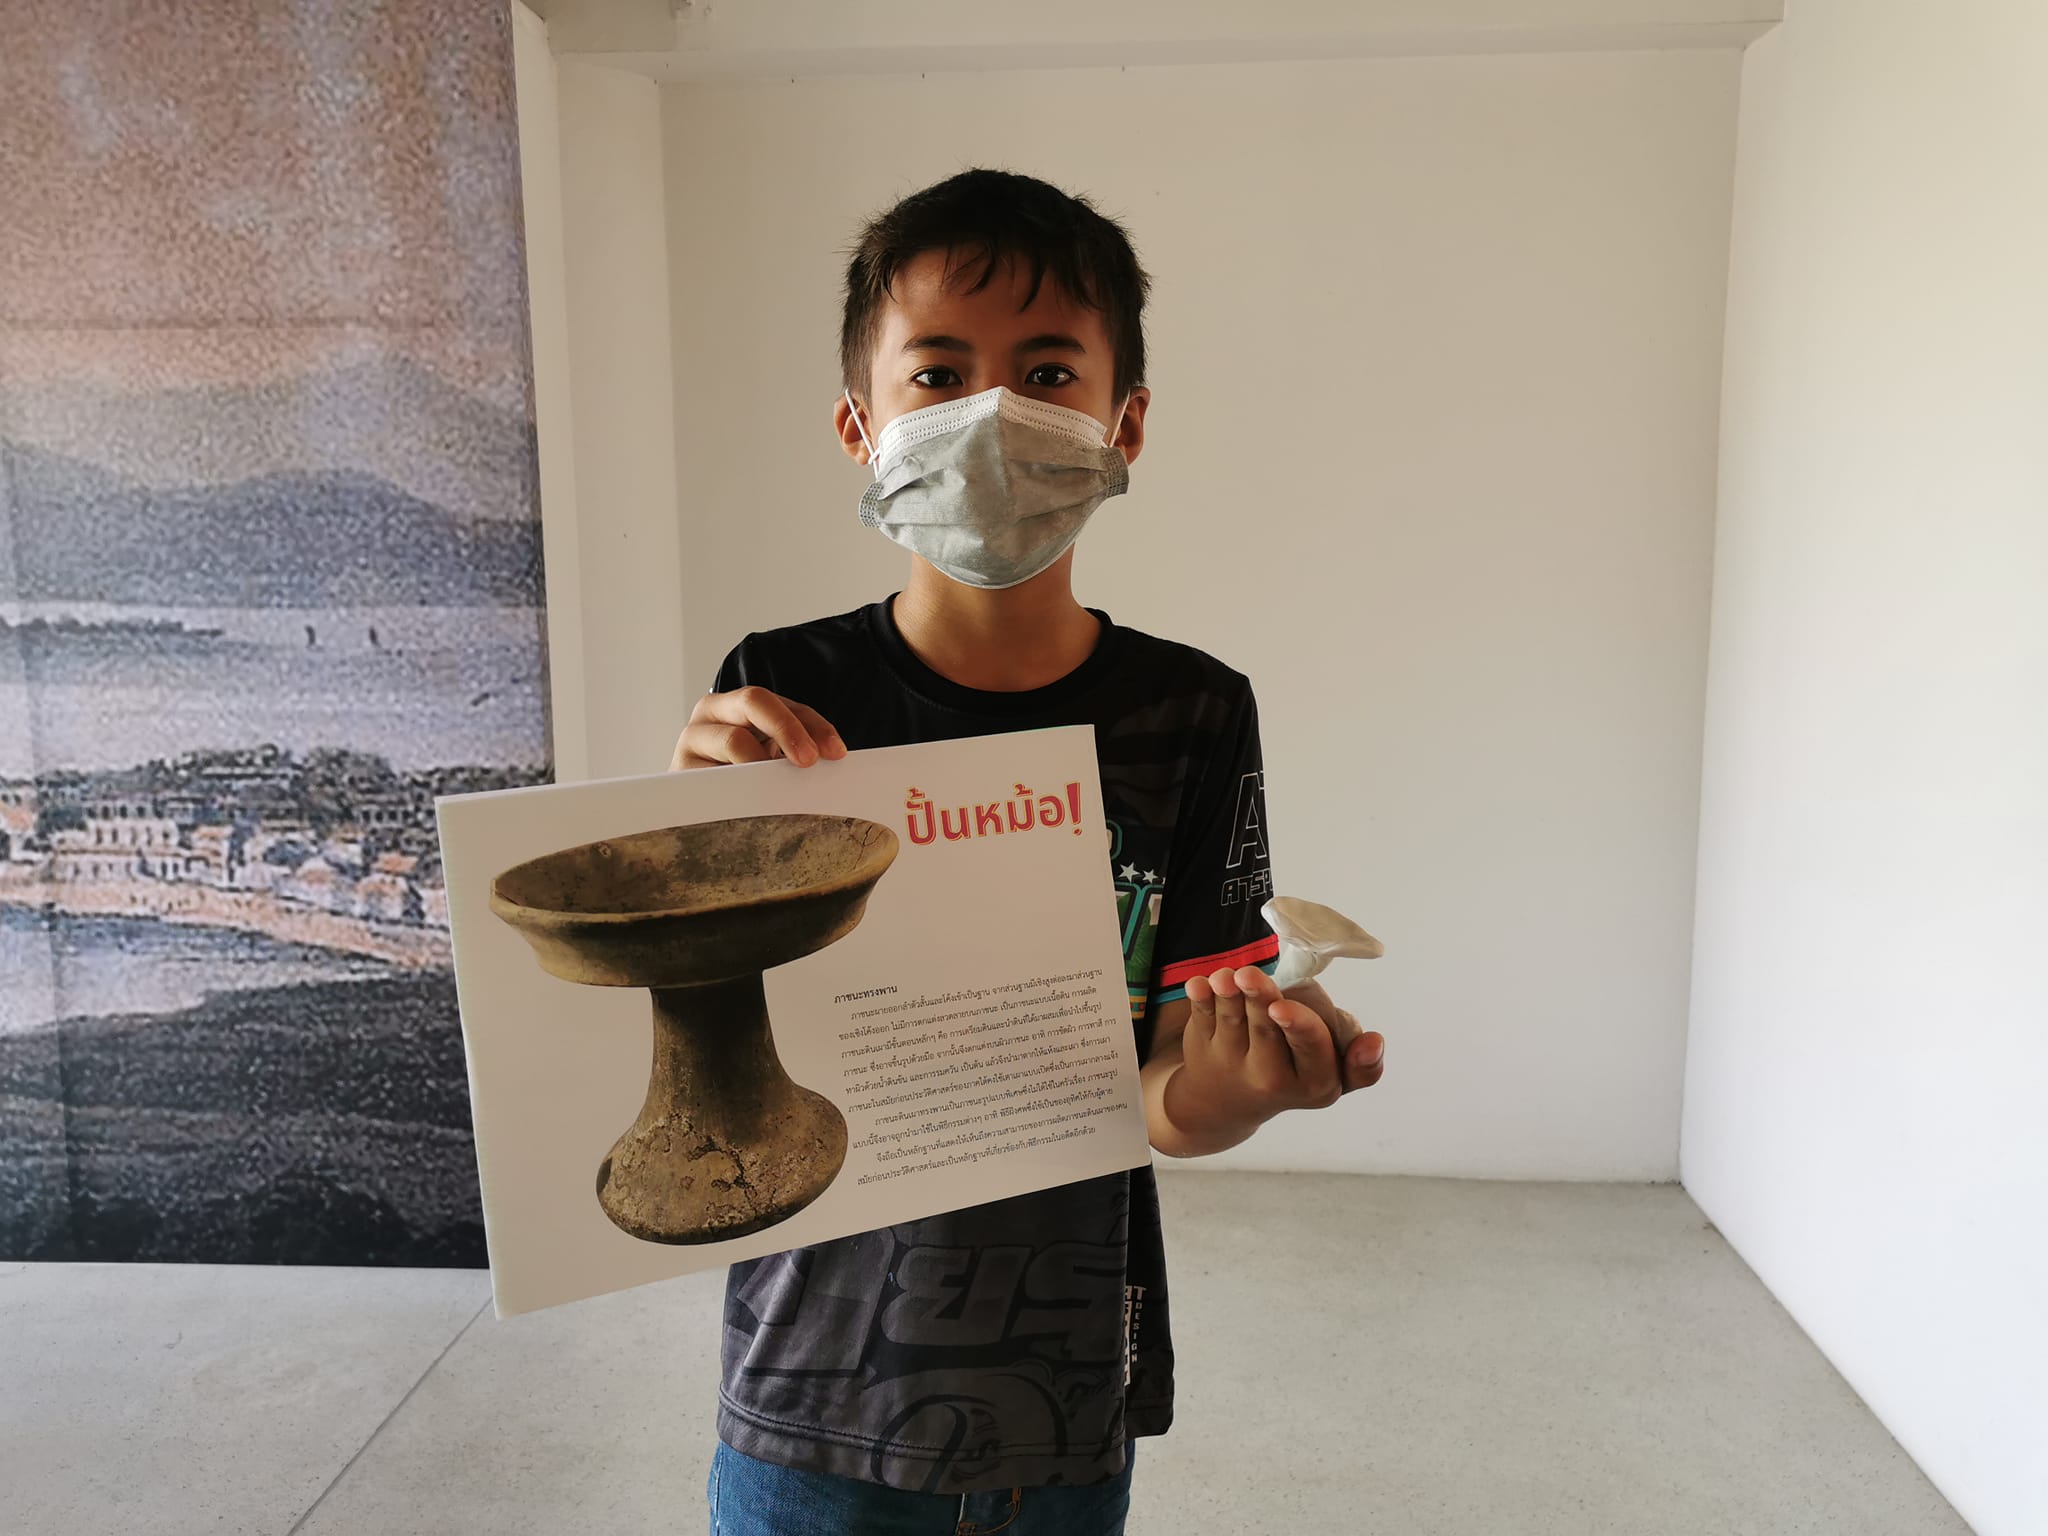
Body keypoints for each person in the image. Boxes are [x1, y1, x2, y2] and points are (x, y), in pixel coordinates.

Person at [671, 168, 1387, 1536]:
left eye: (1048, 371)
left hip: (1058, 1404)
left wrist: (1238, 1087)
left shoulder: (1191, 712)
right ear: (860, 424)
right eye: (937, 373)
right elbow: (713, 1048)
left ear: (1125, 423)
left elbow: (1164, 1089)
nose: (991, 413)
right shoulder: (782, 692)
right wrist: (682, 852)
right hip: (805, 1391)